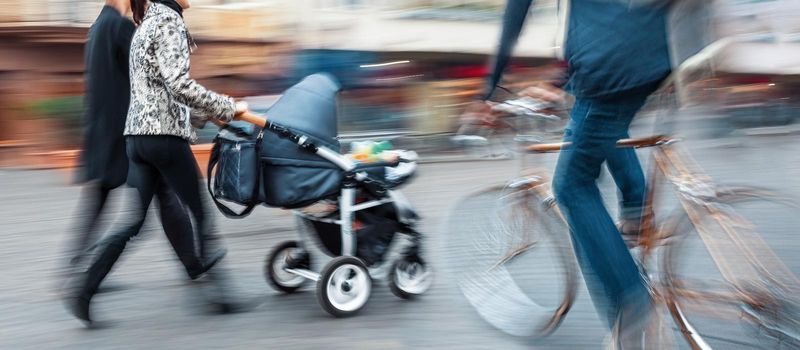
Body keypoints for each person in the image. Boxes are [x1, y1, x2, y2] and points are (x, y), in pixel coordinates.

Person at [469, 0, 711, 347]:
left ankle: (633, 309)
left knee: (571, 186)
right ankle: (636, 214)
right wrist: (561, 81)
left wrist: (487, 92)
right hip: (652, 53)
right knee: (596, 131)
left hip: (613, 62)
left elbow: (516, 15)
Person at [66, 0, 247, 325]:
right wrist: (226, 106)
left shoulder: (145, 23)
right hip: (163, 137)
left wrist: (204, 115)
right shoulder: (169, 21)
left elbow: (154, 89)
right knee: (202, 214)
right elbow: (178, 84)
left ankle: (84, 290)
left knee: (134, 222)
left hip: (136, 138)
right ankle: (222, 297)